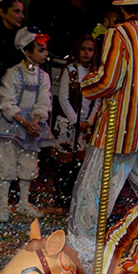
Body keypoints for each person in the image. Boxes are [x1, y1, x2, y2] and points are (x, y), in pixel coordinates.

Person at [67, 0, 138, 265]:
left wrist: (83, 84)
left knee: (95, 191)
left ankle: (84, 250)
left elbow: (109, 81)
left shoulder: (118, 34)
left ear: (123, 8)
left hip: (117, 127)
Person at [0, 27, 54, 222]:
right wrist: (23, 121)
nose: (45, 53)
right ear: (27, 52)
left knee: (28, 163)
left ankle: (23, 202)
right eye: (40, 49)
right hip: (11, 124)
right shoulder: (13, 73)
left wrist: (35, 121)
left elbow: (43, 101)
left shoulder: (43, 77)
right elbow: (7, 102)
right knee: (6, 163)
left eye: (45, 49)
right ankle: (3, 205)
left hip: (31, 126)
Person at [52, 34, 101, 204]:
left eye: (90, 49)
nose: (87, 53)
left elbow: (97, 100)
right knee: (65, 161)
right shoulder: (70, 70)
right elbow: (63, 98)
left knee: (80, 163)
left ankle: (75, 195)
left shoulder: (95, 73)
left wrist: (90, 120)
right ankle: (61, 195)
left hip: (86, 124)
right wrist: (75, 120)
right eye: (83, 49)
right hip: (69, 122)